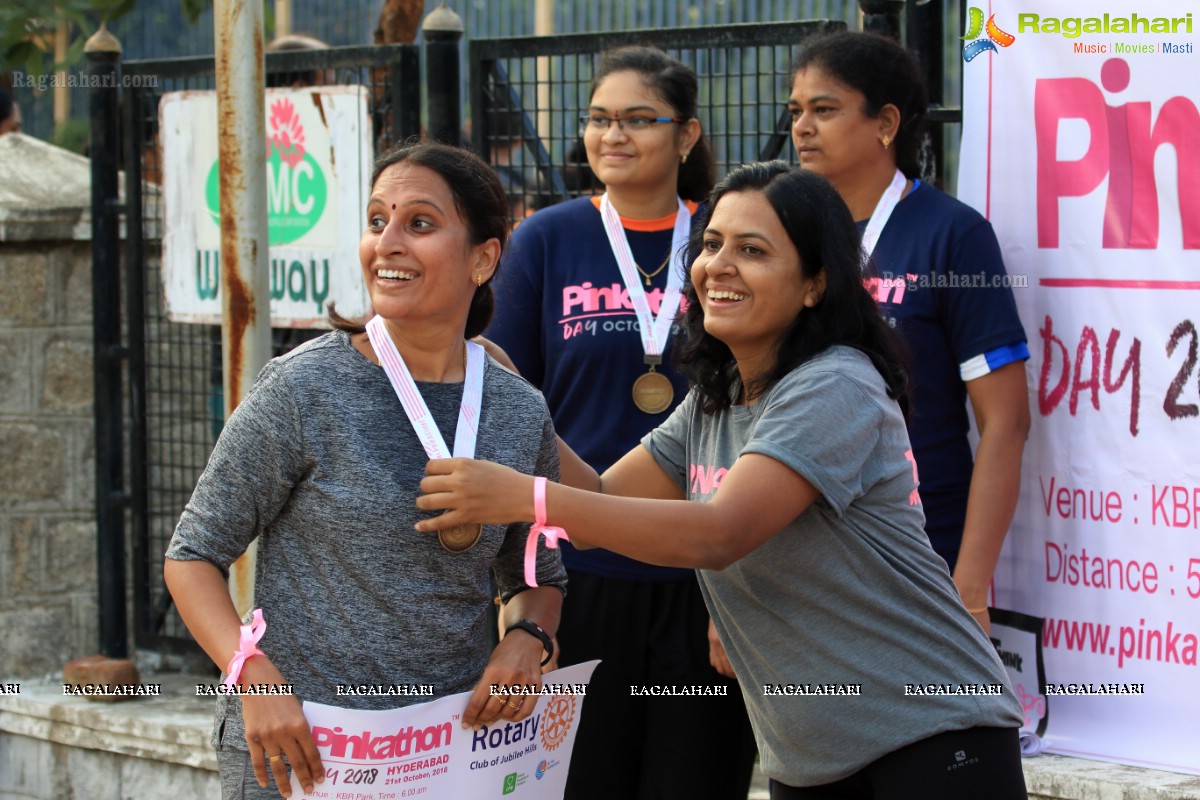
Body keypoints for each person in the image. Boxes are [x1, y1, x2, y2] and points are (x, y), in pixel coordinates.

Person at [417, 162, 1029, 800]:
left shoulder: (834, 383)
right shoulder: (720, 396)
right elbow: (596, 506)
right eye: (711, 244)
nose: (720, 265)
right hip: (812, 756)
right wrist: (506, 385)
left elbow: (720, 532)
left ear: (816, 283)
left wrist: (523, 495)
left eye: (753, 250)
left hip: (931, 734)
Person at [164, 141, 567, 800]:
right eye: (378, 220)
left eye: (421, 224)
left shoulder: (519, 412)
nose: (389, 243)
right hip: (300, 750)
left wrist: (528, 635)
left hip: (446, 753)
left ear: (483, 259)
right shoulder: (303, 388)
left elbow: (535, 575)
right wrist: (253, 675)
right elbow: (192, 555)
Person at [484, 45, 756, 800]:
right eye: (600, 119)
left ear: (688, 135)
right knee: (580, 782)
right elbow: (508, 397)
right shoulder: (547, 239)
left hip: (707, 570)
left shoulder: (726, 241)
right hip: (579, 571)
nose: (614, 135)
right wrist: (521, 591)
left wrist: (732, 583)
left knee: (694, 781)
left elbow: (758, 402)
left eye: (640, 119)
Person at [788, 31, 1030, 633]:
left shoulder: (953, 234)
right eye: (796, 112)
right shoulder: (786, 233)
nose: (802, 128)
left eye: (824, 109)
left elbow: (1005, 422)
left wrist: (969, 583)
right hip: (795, 542)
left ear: (886, 122)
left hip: (920, 547)